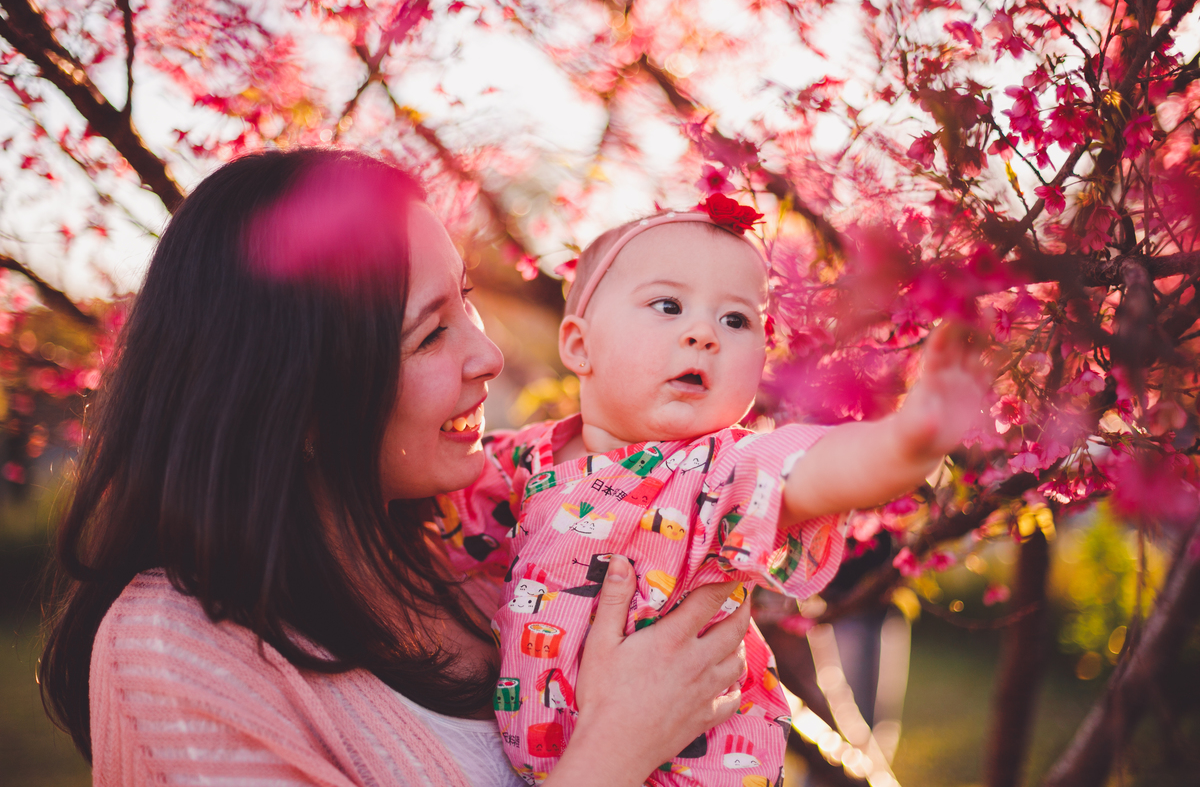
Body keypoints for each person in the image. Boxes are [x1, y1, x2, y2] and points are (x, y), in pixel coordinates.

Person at [38, 149, 755, 787]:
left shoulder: (481, 551)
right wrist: (618, 745)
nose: (488, 356)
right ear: (300, 405)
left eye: (466, 301)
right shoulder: (174, 651)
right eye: (431, 333)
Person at [443, 198, 988, 786]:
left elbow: (809, 469)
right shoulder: (527, 460)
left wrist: (905, 442)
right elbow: (440, 508)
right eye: (668, 306)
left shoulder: (716, 469)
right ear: (579, 345)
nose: (704, 334)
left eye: (736, 320)